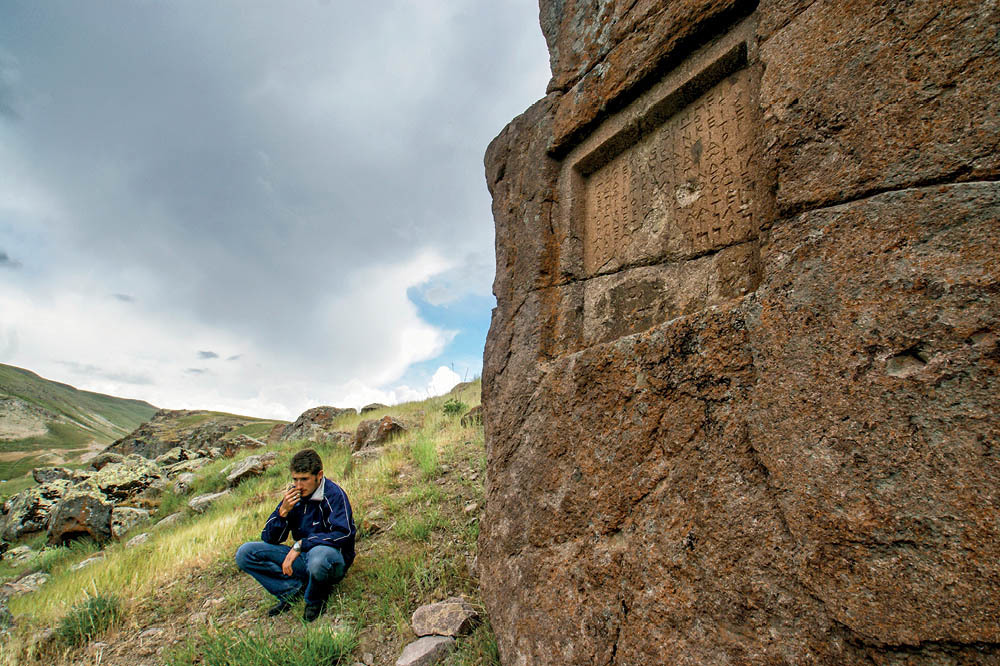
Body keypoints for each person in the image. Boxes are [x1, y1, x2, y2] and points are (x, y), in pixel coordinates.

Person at [235, 448, 356, 622]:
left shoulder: (334, 495)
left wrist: (301, 544)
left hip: (331, 560)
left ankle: (315, 599)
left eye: (304, 479)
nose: (298, 486)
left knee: (318, 558)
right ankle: (293, 592)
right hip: (303, 558)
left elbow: (344, 534)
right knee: (245, 553)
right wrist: (283, 513)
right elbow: (270, 539)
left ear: (319, 475)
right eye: (295, 479)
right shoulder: (294, 496)